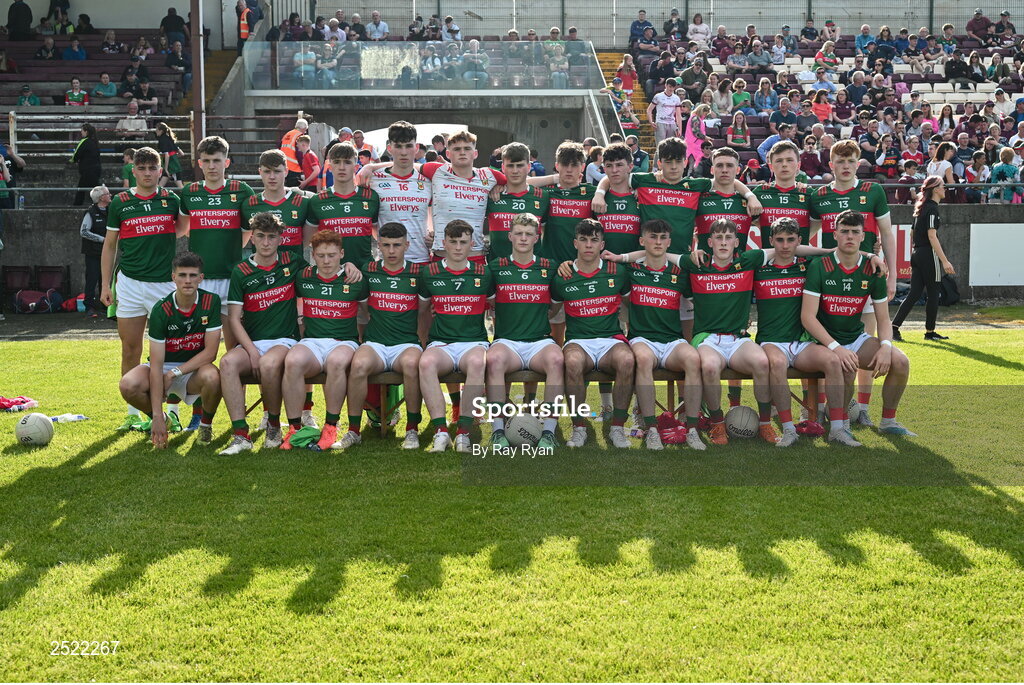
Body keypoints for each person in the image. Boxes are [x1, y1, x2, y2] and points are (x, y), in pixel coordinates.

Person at [801, 210, 915, 438]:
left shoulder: (873, 269)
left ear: (864, 237)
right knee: (845, 367)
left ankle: (888, 421)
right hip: (823, 342)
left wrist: (885, 346)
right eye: (844, 231)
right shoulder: (820, 266)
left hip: (855, 338)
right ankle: (839, 424)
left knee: (900, 362)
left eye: (855, 232)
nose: (850, 236)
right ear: (834, 234)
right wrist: (836, 348)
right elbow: (808, 317)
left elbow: (883, 319)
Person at [809, 140, 897, 427]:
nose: (845, 166)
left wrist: (892, 274)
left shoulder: (873, 191)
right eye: (839, 160)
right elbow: (808, 236)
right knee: (828, 347)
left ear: (858, 163)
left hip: (867, 278)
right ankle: (825, 409)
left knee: (864, 347)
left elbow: (887, 232)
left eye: (850, 161)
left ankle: (863, 408)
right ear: (830, 163)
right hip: (830, 281)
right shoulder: (819, 195)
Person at [100, 147, 184, 432]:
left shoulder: (171, 200)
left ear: (160, 171)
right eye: (142, 168)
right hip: (130, 284)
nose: (147, 173)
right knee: (130, 348)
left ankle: (172, 411)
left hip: (164, 284)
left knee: (171, 351)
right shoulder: (120, 202)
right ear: (133, 171)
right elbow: (110, 245)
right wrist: (104, 283)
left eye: (153, 168)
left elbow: (183, 229)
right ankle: (133, 412)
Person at [119, 252, 222, 447]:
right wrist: (156, 414)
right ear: (173, 277)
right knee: (128, 384)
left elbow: (210, 353)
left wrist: (174, 373)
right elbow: (157, 365)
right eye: (182, 275)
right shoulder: (161, 309)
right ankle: (163, 420)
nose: (187, 281)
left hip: (193, 370)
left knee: (213, 377)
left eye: (193, 275)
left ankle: (205, 426)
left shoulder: (211, 302)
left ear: (201, 278)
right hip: (163, 366)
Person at [276, 229, 367, 450]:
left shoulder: (354, 278)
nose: (327, 260)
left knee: (336, 363)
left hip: (344, 340)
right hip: (313, 341)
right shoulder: (303, 276)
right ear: (312, 254)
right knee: (292, 361)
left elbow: (365, 313)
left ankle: (330, 427)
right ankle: (295, 429)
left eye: (332, 255)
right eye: (321, 255)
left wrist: (362, 342)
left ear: (342, 254)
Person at [219, 214, 298, 454]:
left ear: (280, 239)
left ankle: (273, 425)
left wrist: (349, 265)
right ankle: (241, 434)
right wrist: (251, 350)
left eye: (271, 237)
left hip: (284, 339)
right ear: (251, 238)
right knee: (227, 363)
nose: (266, 242)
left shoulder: (292, 261)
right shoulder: (241, 271)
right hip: (253, 342)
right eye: (261, 237)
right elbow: (233, 318)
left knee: (269, 365)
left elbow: (326, 268)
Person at [482, 214, 562, 449]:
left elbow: (555, 305)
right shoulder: (496, 267)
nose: (523, 238)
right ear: (509, 236)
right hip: (507, 342)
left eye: (528, 234)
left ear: (537, 237)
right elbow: (487, 301)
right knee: (494, 360)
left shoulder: (549, 267)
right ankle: (497, 432)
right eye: (518, 233)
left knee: (557, 359)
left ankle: (548, 432)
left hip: (539, 342)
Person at [551, 219, 633, 448]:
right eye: (584, 240)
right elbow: (550, 312)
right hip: (579, 340)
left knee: (627, 360)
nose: (589, 245)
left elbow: (631, 302)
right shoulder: (563, 275)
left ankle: (617, 427)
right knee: (572, 362)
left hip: (610, 340)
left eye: (594, 240)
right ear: (575, 243)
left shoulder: (617, 271)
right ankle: (579, 427)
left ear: (602, 244)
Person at [415, 220, 493, 453]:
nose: (458, 247)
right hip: (442, 342)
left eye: (463, 242)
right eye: (453, 242)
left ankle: (463, 433)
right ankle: (441, 431)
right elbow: (422, 313)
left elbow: (496, 306)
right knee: (426, 362)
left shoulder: (484, 272)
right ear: (444, 243)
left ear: (472, 244)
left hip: (474, 342)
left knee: (478, 363)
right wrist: (423, 343)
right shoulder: (429, 272)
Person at [177, 135, 256, 361]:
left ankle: (235, 396)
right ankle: (199, 394)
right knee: (195, 346)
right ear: (200, 163)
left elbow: (247, 230)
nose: (212, 166)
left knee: (234, 348)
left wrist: (230, 254)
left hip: (231, 278)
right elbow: (181, 229)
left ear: (227, 162)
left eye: (217, 160)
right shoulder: (190, 193)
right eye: (207, 160)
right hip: (198, 279)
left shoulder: (242, 191)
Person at [891, 175, 955, 342]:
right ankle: (929, 332)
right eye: (942, 186)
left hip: (917, 253)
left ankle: (894, 328)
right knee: (934, 293)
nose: (945, 189)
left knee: (914, 293)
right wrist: (944, 260)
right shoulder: (932, 208)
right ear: (935, 189)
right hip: (927, 254)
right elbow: (932, 236)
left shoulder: (921, 208)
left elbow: (912, 233)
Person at [305, 142, 380, 271]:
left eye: (347, 162)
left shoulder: (371, 197)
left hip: (365, 272)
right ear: (329, 166)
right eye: (337, 162)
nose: (341, 167)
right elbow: (306, 242)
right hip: (332, 275)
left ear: (356, 167)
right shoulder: (317, 201)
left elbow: (378, 235)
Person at [243, 149, 309, 259]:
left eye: (277, 171)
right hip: (261, 273)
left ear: (286, 172)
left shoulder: (303, 203)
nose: (272, 177)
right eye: (267, 171)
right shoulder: (249, 205)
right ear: (260, 172)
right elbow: (243, 242)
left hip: (294, 273)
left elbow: (306, 242)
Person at [80, 185, 110, 317]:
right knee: (92, 279)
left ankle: (106, 306)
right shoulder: (90, 212)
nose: (110, 195)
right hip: (93, 252)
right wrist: (102, 239)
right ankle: (89, 307)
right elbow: (84, 231)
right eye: (107, 194)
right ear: (101, 198)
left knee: (106, 279)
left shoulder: (111, 210)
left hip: (107, 252)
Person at [70, 124, 102, 206]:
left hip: (87, 169)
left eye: (82, 131)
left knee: (81, 189)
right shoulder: (95, 142)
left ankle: (77, 205)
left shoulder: (84, 141)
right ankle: (101, 203)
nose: (81, 133)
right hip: (96, 168)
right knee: (96, 188)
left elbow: (76, 154)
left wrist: (71, 161)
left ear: (86, 131)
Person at [154, 122, 183, 188]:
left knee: (180, 186)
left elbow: (167, 155)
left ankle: (186, 197)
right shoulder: (170, 138)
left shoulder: (162, 140)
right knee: (160, 186)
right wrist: (174, 157)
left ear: (160, 131)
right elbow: (182, 154)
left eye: (156, 129)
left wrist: (166, 169)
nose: (155, 131)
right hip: (173, 164)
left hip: (172, 167)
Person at [281, 118, 307, 187]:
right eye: (305, 129)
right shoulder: (300, 136)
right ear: (303, 128)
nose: (305, 132)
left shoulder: (287, 134)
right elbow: (299, 153)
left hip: (284, 166)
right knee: (294, 192)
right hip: (294, 168)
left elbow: (279, 147)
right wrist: (303, 166)